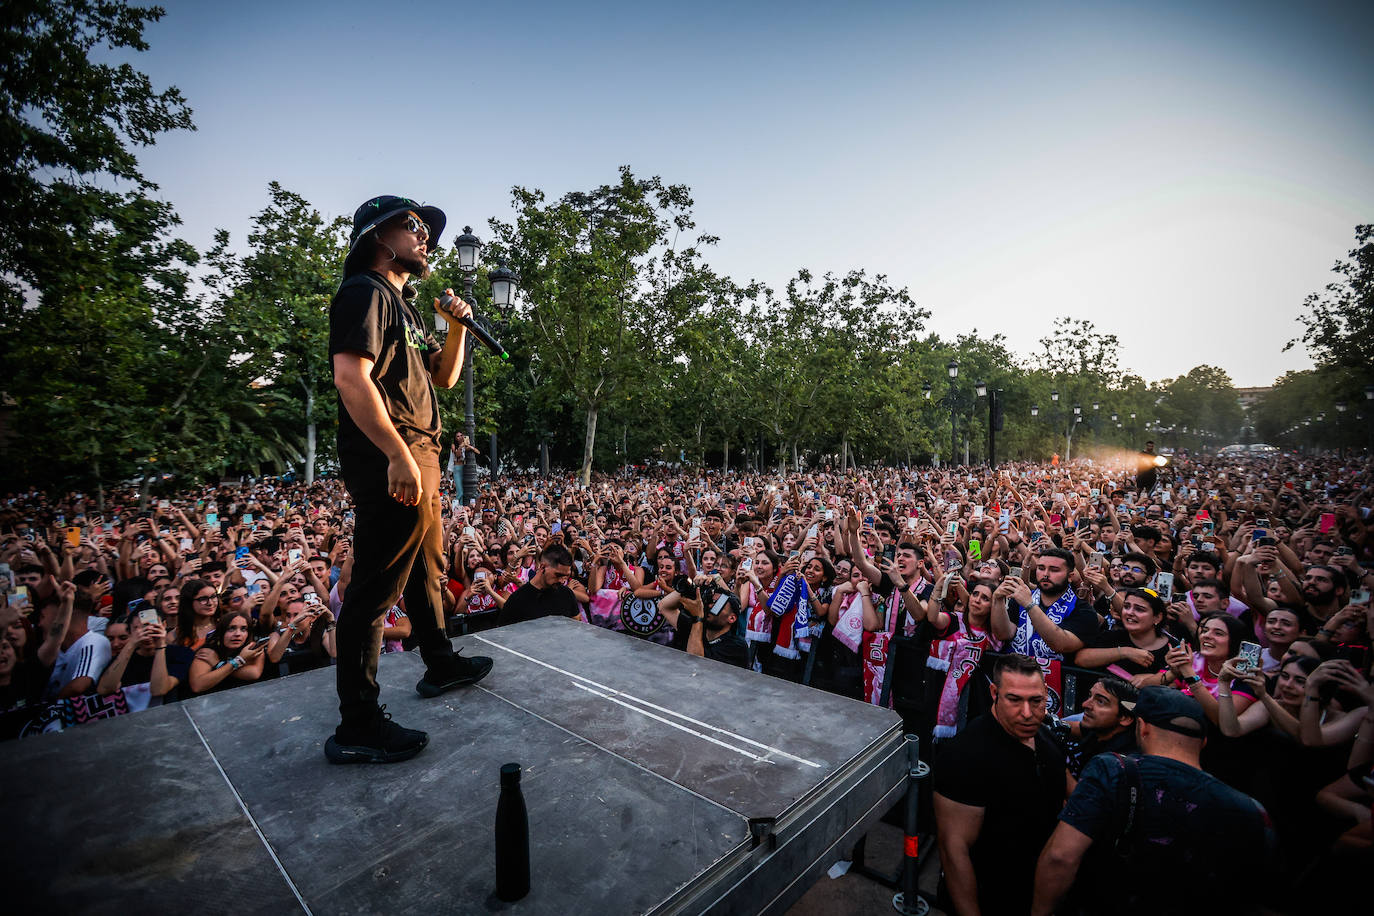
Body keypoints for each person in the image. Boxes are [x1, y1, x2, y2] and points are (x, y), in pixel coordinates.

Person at [326, 195, 493, 764]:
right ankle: (358, 722)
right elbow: (351, 376)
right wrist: (396, 453)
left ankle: (440, 662)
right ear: (379, 235)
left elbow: (442, 380)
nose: (426, 238)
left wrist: (457, 328)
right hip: (390, 450)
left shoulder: (405, 306)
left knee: (428, 567)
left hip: (421, 446)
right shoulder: (365, 293)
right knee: (375, 588)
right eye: (415, 226)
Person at [1031, 688, 1276, 915]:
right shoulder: (1251, 810)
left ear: (1143, 728)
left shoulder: (1112, 770)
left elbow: (1060, 857)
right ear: (1203, 742)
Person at [934, 654, 1069, 915]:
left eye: (1036, 701)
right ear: (994, 692)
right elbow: (954, 851)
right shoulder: (966, 755)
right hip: (993, 897)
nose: (1027, 713)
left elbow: (1067, 789)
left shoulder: (1044, 736)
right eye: (1014, 700)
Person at [496, 543, 579, 626]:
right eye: (558, 575)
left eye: (566, 576)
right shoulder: (518, 599)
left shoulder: (567, 594)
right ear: (542, 567)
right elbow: (504, 633)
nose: (562, 581)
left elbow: (576, 625)